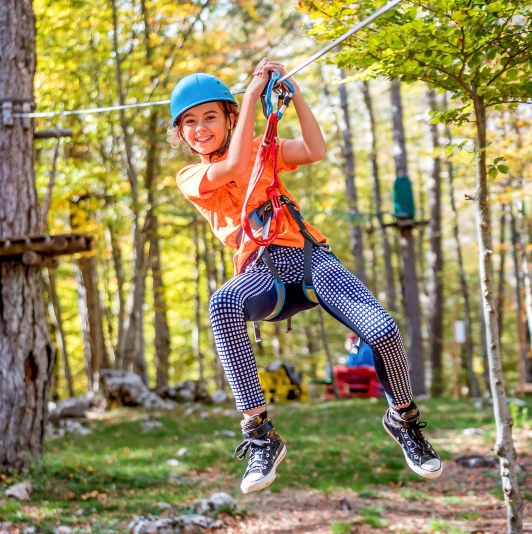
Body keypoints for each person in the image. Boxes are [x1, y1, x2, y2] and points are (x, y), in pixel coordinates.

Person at [168, 59, 443, 495]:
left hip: (312, 259)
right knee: (222, 303)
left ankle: (404, 420)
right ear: (181, 133)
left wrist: (294, 96)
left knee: (383, 330)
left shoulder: (262, 149)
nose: (200, 128)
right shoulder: (190, 175)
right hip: (265, 274)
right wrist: (252, 94)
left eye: (210, 118)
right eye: (190, 123)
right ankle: (260, 435)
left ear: (229, 120)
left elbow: (315, 149)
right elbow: (236, 167)